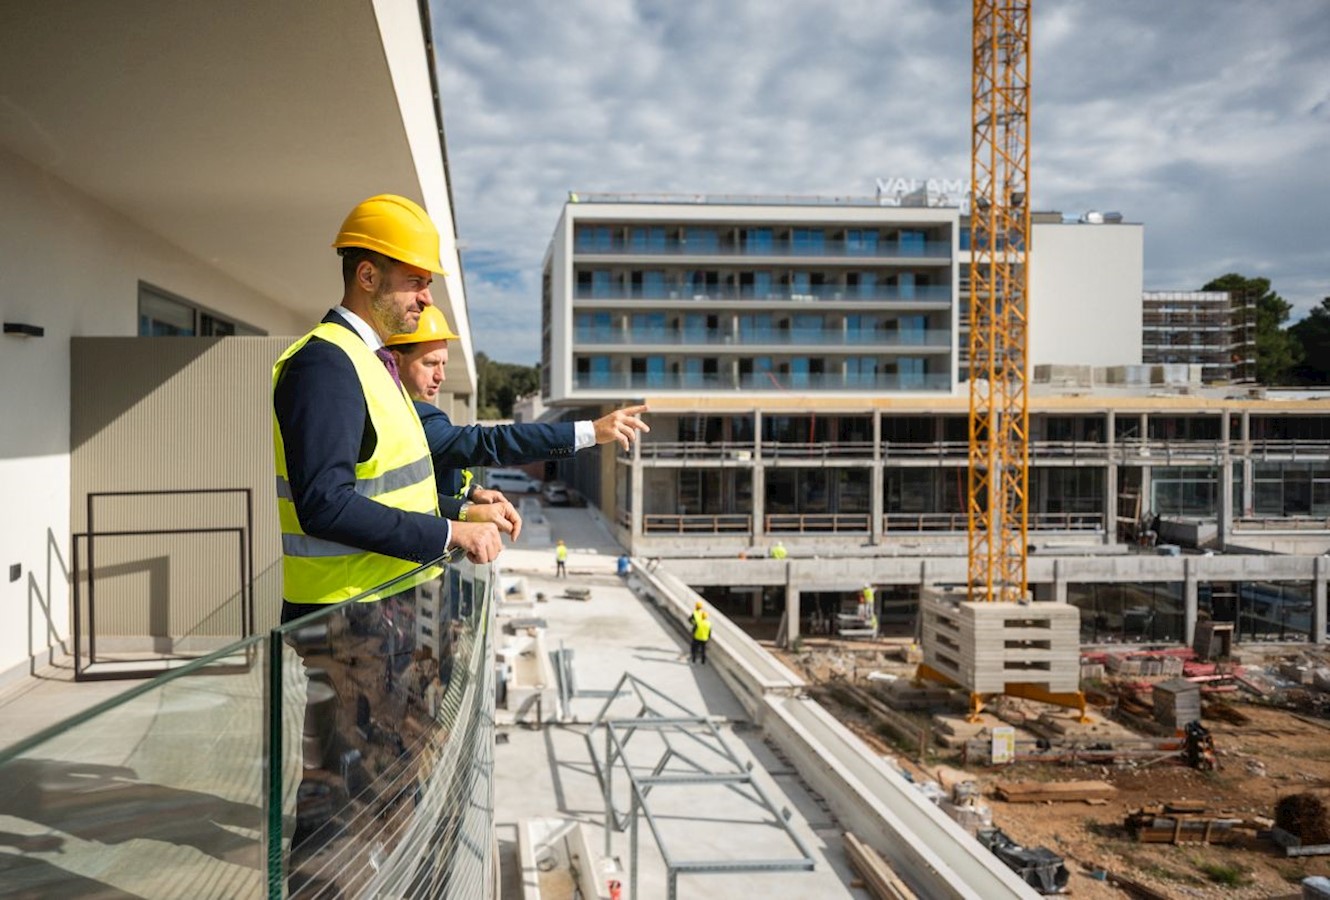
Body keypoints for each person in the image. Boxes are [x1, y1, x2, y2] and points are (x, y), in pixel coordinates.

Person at [272, 193, 503, 624]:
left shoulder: (370, 361)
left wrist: (463, 512)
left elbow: (387, 491)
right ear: (367, 275)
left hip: (379, 608)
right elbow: (326, 504)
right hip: (348, 617)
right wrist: (451, 532)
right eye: (416, 281)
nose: (428, 299)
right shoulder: (326, 363)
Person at [383, 305, 651, 528]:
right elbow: (490, 441)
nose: (440, 375)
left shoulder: (411, 411)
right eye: (430, 363)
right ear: (396, 360)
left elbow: (419, 479)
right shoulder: (407, 419)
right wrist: (590, 432)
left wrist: (471, 492)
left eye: (443, 364)